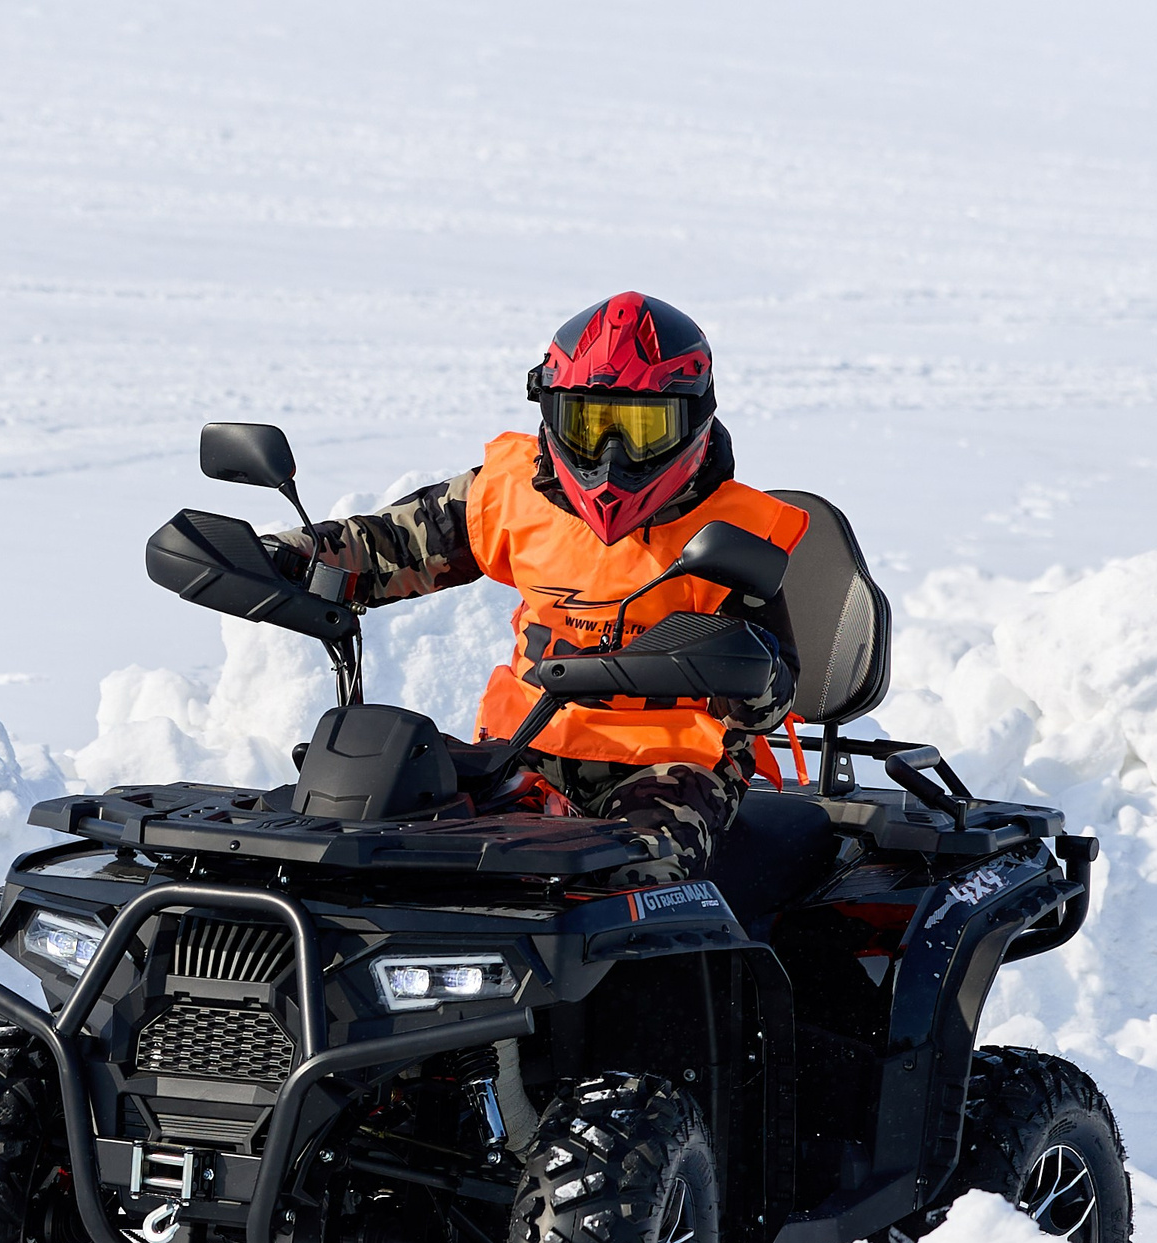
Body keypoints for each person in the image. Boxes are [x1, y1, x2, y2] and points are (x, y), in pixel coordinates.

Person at [267, 291, 806, 881]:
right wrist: (285, 558)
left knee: (624, 877)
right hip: (523, 747)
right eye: (588, 423)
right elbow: (386, 546)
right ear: (548, 410)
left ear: (694, 418)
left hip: (670, 768)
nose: (611, 454)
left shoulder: (738, 532)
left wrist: (745, 672)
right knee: (378, 837)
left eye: (642, 429)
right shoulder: (510, 491)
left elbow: (771, 699)